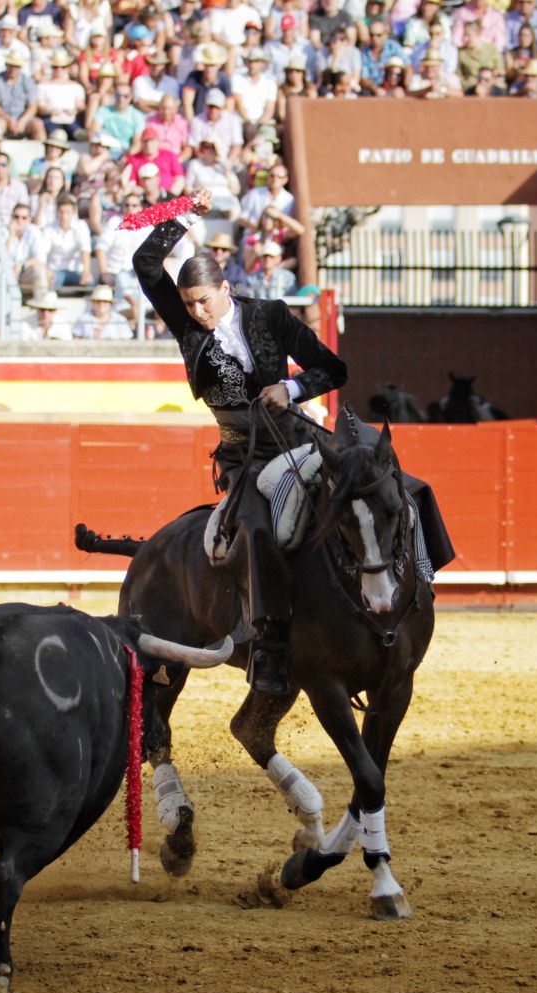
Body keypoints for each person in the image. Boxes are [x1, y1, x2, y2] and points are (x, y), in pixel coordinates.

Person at [132, 187, 347, 694]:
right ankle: (269, 646)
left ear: (225, 288)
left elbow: (333, 369)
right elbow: (144, 262)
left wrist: (291, 386)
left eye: (203, 301)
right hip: (242, 456)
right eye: (188, 304)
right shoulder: (187, 325)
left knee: (380, 486)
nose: (197, 312)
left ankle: (409, 588)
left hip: (297, 439)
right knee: (254, 525)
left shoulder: (269, 315)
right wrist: (184, 213)